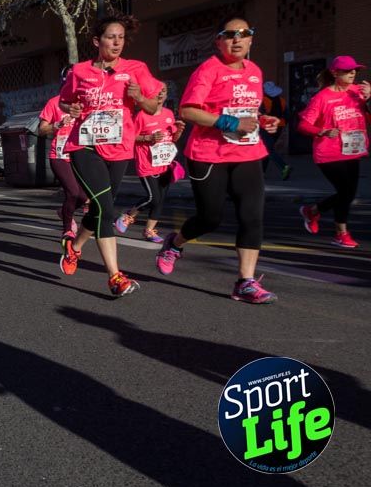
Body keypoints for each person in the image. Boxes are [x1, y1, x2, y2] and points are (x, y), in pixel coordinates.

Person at [156, 17, 279, 304]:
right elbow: (187, 110)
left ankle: (245, 282)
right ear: (219, 42)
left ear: (251, 39)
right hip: (209, 153)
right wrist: (229, 122)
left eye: (243, 34)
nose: (236, 40)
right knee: (210, 218)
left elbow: (247, 110)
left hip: (248, 153)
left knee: (252, 217)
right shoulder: (208, 70)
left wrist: (264, 120)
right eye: (229, 35)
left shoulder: (255, 71)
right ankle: (174, 244)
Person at [58, 15, 163, 297]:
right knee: (106, 208)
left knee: (100, 209)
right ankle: (115, 277)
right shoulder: (79, 71)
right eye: (110, 37)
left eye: (121, 37)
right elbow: (64, 100)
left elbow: (153, 107)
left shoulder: (136, 69)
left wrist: (139, 97)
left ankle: (75, 246)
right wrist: (72, 110)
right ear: (97, 41)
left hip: (119, 148)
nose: (117, 42)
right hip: (85, 146)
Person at [298, 56, 370, 248]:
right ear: (335, 73)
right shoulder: (321, 98)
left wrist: (369, 98)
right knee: (346, 192)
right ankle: (340, 232)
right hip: (329, 153)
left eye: (355, 70)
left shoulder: (358, 92)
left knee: (348, 194)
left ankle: (313, 211)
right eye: (347, 70)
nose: (353, 73)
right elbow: (304, 125)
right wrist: (321, 131)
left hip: (353, 150)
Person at [114, 88, 182, 243]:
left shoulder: (169, 114)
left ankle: (149, 231)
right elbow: (129, 137)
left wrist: (179, 132)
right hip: (147, 163)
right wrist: (148, 137)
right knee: (153, 197)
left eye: (163, 91)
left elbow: (172, 138)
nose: (160, 93)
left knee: (161, 199)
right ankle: (127, 216)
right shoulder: (141, 115)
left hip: (164, 162)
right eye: (157, 90)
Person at [38, 91, 87, 240]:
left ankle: (64, 211)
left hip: (80, 154)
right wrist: (57, 124)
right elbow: (41, 130)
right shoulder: (54, 102)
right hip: (59, 155)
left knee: (84, 197)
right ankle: (67, 230)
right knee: (72, 192)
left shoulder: (86, 101)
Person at [259, 81, 292, 180]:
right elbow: (287, 115)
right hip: (279, 126)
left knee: (267, 149)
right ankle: (262, 173)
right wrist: (282, 123)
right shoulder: (282, 100)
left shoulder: (263, 101)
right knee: (267, 149)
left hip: (266, 127)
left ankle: (283, 166)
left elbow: (262, 115)